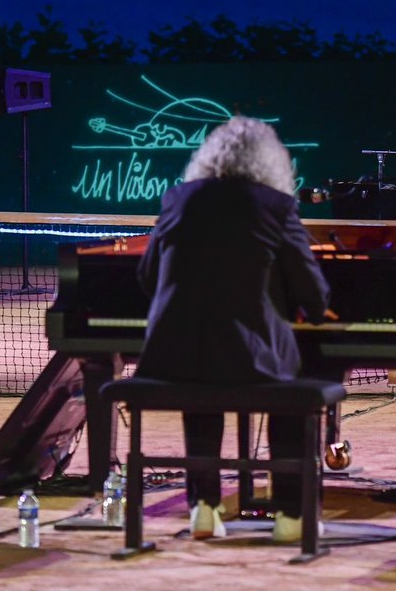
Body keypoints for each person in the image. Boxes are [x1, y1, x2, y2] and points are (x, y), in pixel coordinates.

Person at [135, 116, 330, 543]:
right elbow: (314, 296)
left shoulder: (177, 200)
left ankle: (203, 508)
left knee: (203, 371)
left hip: (173, 356)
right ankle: (290, 514)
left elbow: (147, 277)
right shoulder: (276, 206)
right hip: (250, 358)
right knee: (293, 382)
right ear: (272, 163)